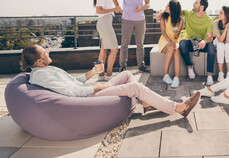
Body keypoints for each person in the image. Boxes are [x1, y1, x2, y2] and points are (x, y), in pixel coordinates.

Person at [19, 44, 201, 117]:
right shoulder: (42, 75)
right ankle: (178, 108)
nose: (48, 51)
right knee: (136, 86)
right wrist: (99, 86)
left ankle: (146, 104)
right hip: (86, 98)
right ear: (39, 61)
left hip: (87, 89)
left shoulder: (45, 69)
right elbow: (71, 92)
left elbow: (74, 82)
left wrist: (92, 72)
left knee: (127, 75)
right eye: (44, 52)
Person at [111, 0, 150, 73]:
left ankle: (141, 65)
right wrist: (118, 7)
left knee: (140, 44)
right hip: (127, 19)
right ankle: (122, 66)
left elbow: (148, 4)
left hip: (140, 20)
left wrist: (141, 7)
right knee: (124, 44)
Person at [179, 0, 215, 85]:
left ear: (201, 7)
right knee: (182, 43)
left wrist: (204, 41)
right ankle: (190, 68)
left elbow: (210, 38)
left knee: (211, 48)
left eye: (196, 3)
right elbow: (176, 10)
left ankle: (210, 76)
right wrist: (161, 13)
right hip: (190, 43)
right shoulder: (188, 14)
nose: (193, 4)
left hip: (201, 44)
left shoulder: (208, 20)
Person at [93, 0, 122, 80]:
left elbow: (105, 9)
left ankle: (101, 75)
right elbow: (98, 10)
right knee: (114, 49)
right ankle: (109, 75)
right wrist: (114, 9)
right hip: (104, 23)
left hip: (104, 23)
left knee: (104, 49)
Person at [158, 0, 183, 88]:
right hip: (165, 40)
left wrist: (176, 33)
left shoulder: (180, 20)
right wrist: (170, 41)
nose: (166, 6)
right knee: (172, 46)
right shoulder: (163, 17)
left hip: (174, 41)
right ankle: (165, 75)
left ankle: (177, 78)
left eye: (168, 6)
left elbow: (176, 37)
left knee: (176, 51)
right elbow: (163, 32)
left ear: (172, 9)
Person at [213, 6, 229, 82]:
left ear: (227, 15)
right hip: (218, 41)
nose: (219, 14)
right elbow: (220, 40)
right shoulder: (215, 23)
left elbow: (228, 41)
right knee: (220, 45)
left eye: (221, 13)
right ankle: (220, 73)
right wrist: (226, 29)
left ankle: (228, 73)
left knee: (227, 46)